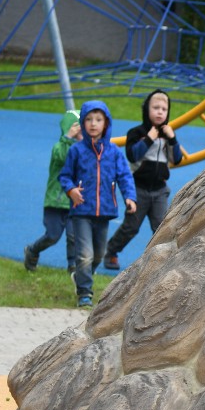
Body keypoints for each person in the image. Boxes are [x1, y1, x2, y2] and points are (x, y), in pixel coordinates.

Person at [58, 101, 137, 309]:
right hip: (81, 209)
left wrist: (130, 196)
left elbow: (124, 176)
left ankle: (81, 275)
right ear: (83, 123)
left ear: (106, 123)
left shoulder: (114, 152)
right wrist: (71, 190)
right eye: (89, 120)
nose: (93, 124)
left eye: (98, 120)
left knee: (99, 254)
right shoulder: (76, 151)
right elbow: (65, 176)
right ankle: (85, 292)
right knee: (85, 254)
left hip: (105, 211)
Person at [103, 90, 184, 270]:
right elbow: (133, 155)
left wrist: (172, 138)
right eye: (156, 108)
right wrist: (149, 138)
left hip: (160, 190)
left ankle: (163, 260)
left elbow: (176, 159)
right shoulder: (136, 132)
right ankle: (111, 251)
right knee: (131, 227)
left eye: (164, 109)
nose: (160, 112)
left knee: (161, 226)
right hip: (138, 189)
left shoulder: (167, 135)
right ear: (147, 109)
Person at [23, 110, 81, 272]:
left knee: (73, 236)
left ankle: (73, 266)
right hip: (55, 202)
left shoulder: (84, 150)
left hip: (74, 202)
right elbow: (63, 156)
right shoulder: (60, 147)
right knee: (52, 236)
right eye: (79, 131)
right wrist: (68, 138)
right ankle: (33, 250)